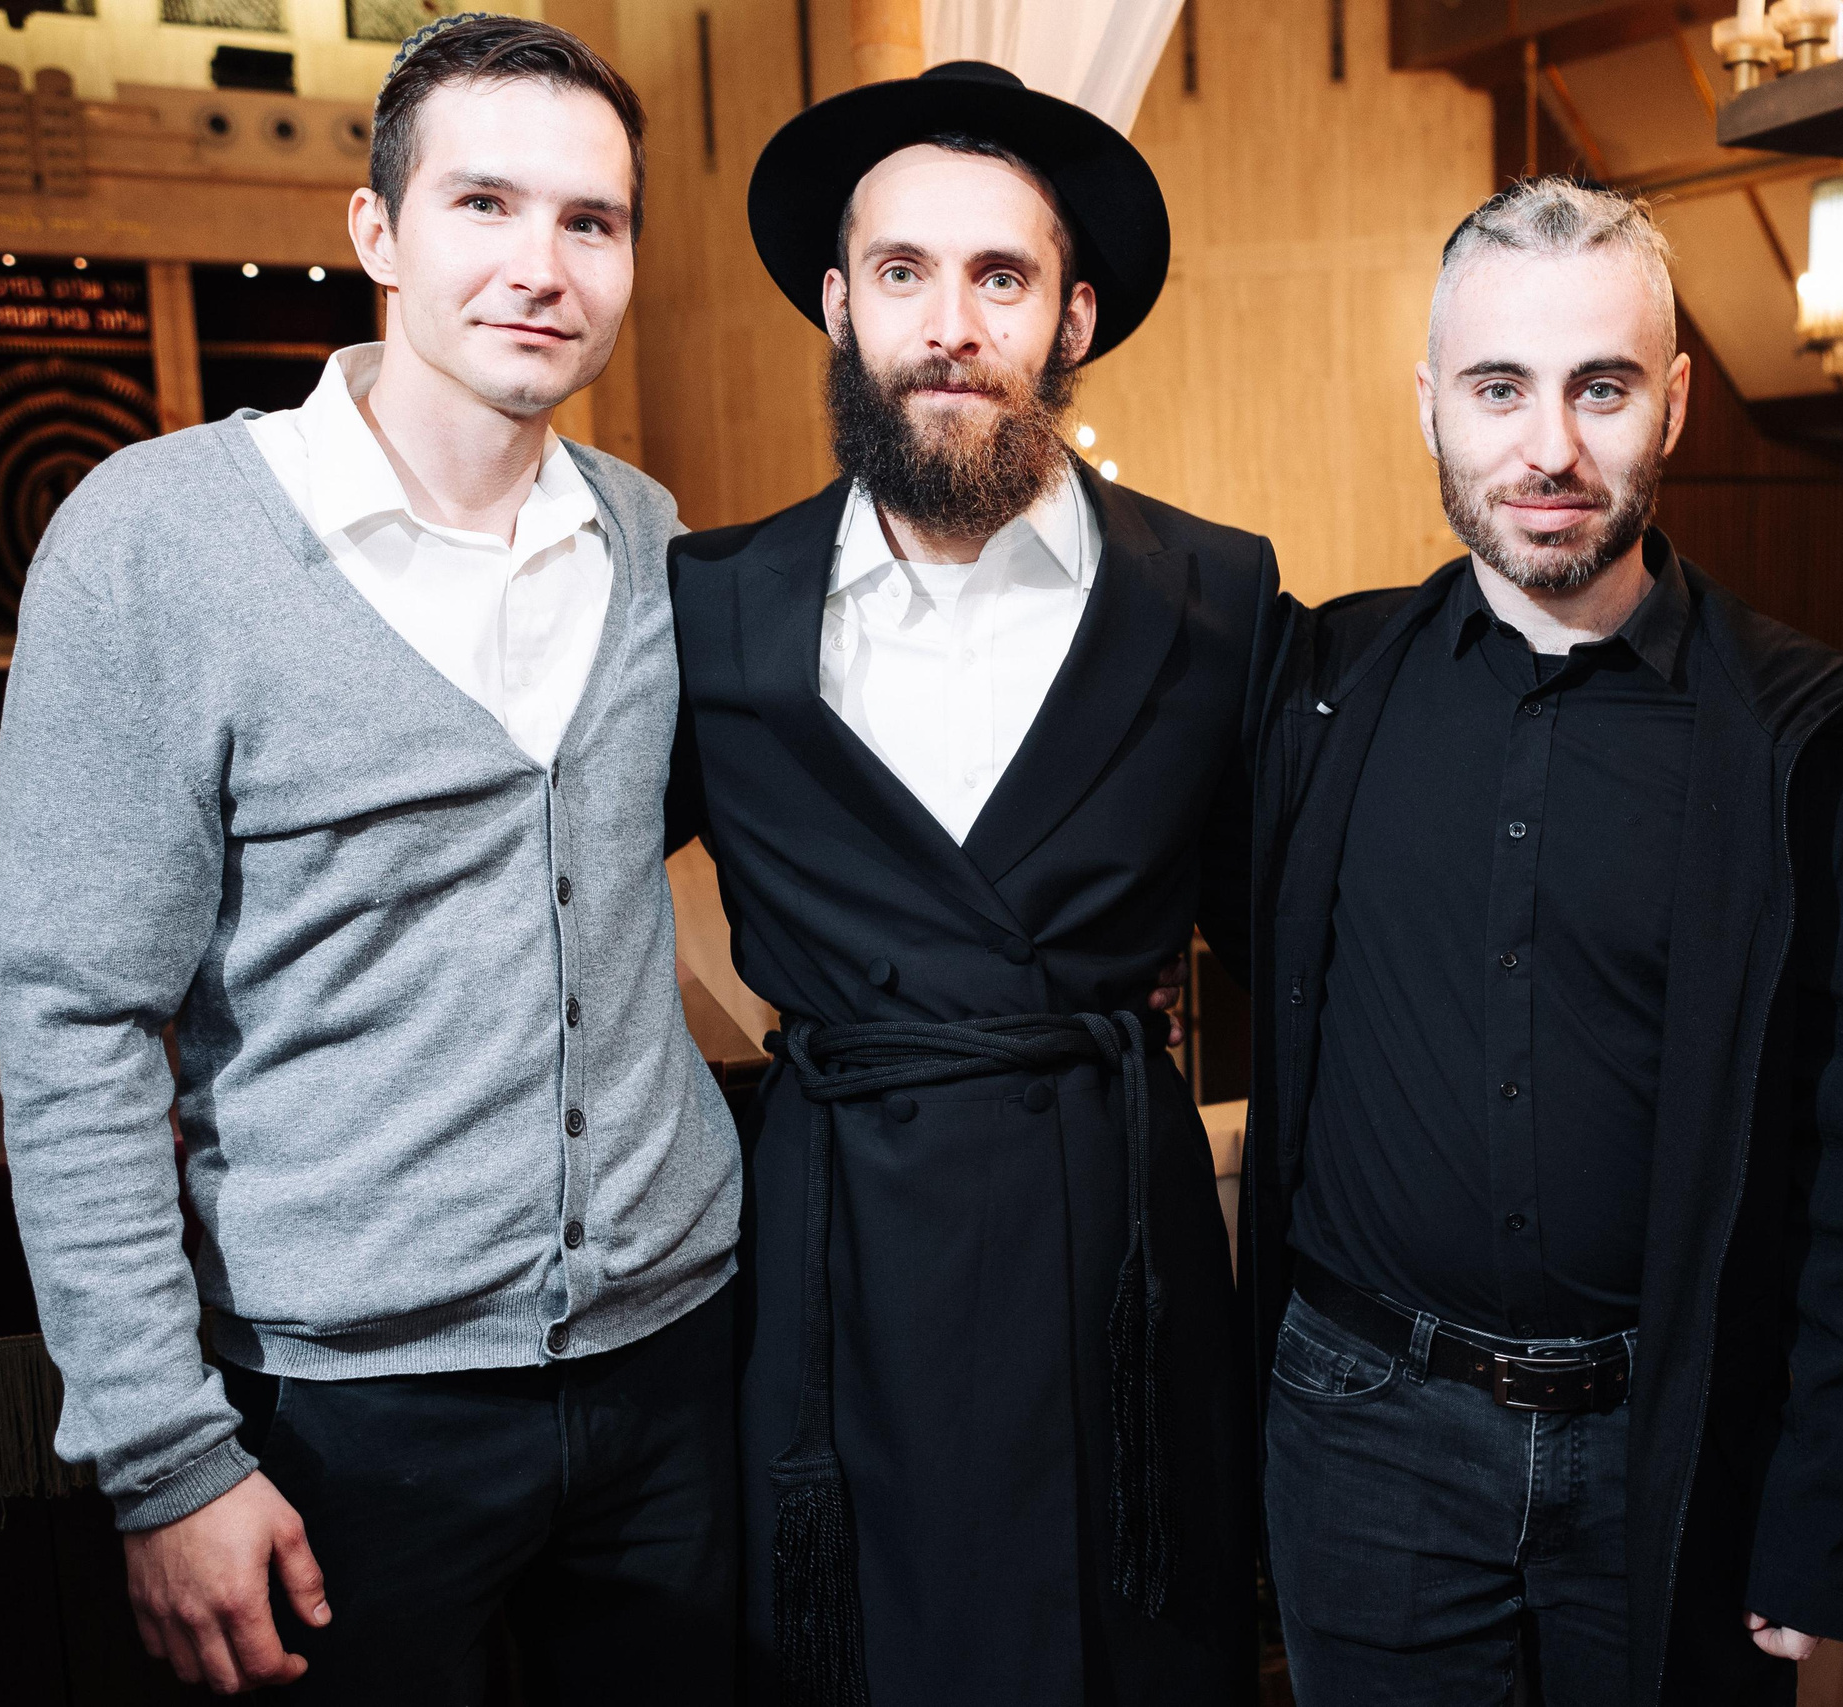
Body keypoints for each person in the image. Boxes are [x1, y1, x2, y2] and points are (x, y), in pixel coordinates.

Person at [0, 16, 746, 1700]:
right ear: (376, 233)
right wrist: (164, 1457)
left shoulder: (650, 537)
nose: (540, 266)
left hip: (681, 1369)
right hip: (346, 1418)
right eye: (484, 203)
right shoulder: (158, 538)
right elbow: (74, 1027)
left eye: (591, 223)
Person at [1245, 177, 1843, 1706]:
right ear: (1431, 401)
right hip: (1365, 1439)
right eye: (1500, 387)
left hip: (1672, 1447)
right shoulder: (1322, 688)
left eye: (1601, 387)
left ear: (1675, 403)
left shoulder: (1803, 735)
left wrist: (1829, 1517)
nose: (1549, 447)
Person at [666, 61, 1271, 1707]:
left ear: (1072, 318)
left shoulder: (1217, 596)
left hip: (1114, 1259)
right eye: (904, 272)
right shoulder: (709, 604)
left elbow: (1294, 946)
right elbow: (549, 902)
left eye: (1000, 276)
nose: (950, 322)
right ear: (835, 302)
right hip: (838, 1247)